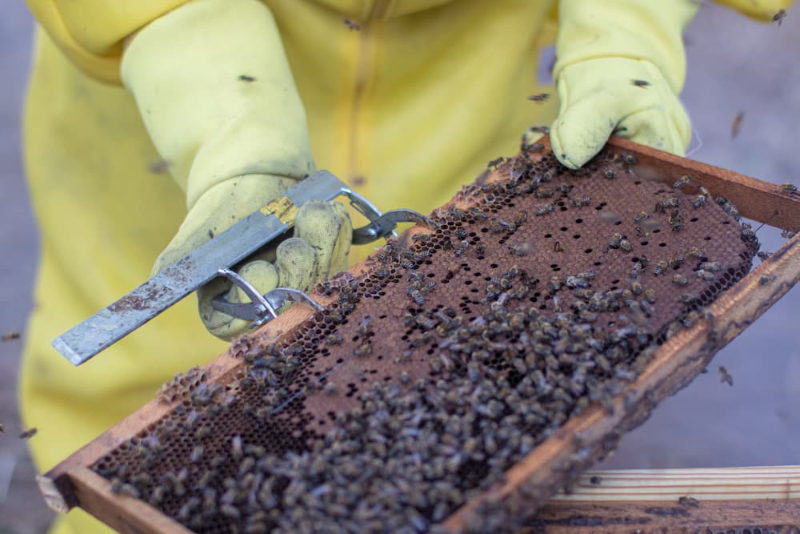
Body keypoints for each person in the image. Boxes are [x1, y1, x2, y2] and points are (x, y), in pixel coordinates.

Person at [19, 0, 789, 532]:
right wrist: (227, 123)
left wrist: (624, 38)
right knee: (143, 422)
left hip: (451, 136)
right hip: (162, 135)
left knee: (447, 359)